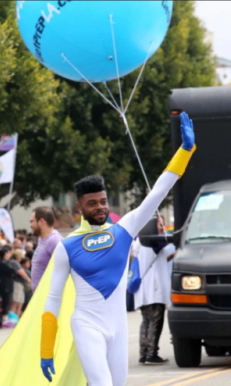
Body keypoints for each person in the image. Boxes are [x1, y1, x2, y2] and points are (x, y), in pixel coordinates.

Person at [40, 112, 196, 385]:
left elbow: (158, 191)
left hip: (119, 326)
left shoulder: (124, 228)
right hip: (86, 324)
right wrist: (45, 349)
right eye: (92, 203)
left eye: (103, 201)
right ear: (80, 207)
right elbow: (53, 298)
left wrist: (185, 150)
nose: (100, 207)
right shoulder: (66, 246)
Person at [134, 217, 175, 365]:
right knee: (155, 322)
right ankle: (152, 354)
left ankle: (143, 353)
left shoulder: (140, 242)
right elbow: (169, 240)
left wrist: (171, 256)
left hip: (144, 288)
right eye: (160, 224)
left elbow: (157, 260)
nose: (163, 227)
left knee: (145, 322)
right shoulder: (153, 242)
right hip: (154, 288)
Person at [30, 207, 63, 291]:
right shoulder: (41, 239)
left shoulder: (54, 241)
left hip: (48, 299)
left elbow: (65, 270)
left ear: (41, 222)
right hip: (39, 299)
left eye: (32, 221)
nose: (30, 225)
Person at [0, 246, 17, 328]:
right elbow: (13, 271)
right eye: (8, 253)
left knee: (7, 302)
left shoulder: (4, 263)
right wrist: (12, 273)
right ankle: (5, 320)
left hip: (7, 285)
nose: (9, 255)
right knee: (6, 302)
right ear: (5, 254)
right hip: (5, 286)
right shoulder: (3, 263)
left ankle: (6, 318)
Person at [9, 249, 31, 319]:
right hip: (17, 283)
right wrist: (28, 279)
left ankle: (16, 318)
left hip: (20, 284)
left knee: (20, 302)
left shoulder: (16, 262)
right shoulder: (14, 262)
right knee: (15, 302)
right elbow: (21, 272)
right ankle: (12, 319)